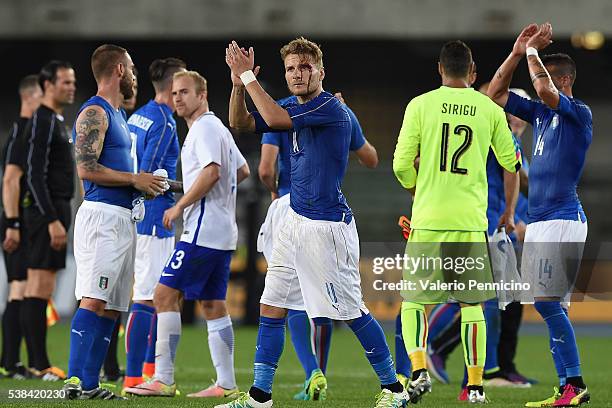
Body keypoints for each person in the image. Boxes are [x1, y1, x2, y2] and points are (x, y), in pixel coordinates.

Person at [223, 37, 408, 408]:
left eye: (305, 67)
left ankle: (395, 389)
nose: (297, 74)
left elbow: (274, 119)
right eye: (291, 68)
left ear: (321, 72)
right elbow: (239, 122)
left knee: (352, 311)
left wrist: (247, 76)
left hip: (328, 227)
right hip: (294, 221)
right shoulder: (291, 104)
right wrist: (236, 86)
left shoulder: (329, 107)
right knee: (272, 304)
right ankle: (260, 396)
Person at [393, 40, 521, 404]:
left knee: (414, 302)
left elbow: (401, 165)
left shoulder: (420, 105)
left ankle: (418, 369)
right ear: (473, 72)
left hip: (429, 219)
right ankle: (477, 385)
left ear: (439, 69)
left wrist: (418, 191)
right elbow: (511, 161)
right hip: (469, 222)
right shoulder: (489, 109)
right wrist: (508, 210)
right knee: (472, 305)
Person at [124, 70, 250, 398]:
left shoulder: (204, 128)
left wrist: (179, 205)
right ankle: (226, 384)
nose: (177, 97)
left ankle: (163, 378)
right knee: (212, 304)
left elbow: (213, 172)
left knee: (163, 295)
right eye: (174, 92)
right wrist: (196, 189)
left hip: (203, 231)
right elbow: (242, 170)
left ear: (202, 94)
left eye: (184, 92)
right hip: (223, 232)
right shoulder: (217, 127)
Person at [487, 23, 591, 407]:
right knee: (552, 306)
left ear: (563, 80)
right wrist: (516, 53)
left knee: (546, 303)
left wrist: (532, 51)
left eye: (543, 76)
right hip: (546, 220)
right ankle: (567, 386)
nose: (536, 87)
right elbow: (496, 94)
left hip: (563, 216)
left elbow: (544, 89)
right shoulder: (541, 116)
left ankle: (574, 383)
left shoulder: (578, 112)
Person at [256, 91, 379, 401]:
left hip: (292, 205)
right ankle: (270, 390)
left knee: (293, 298)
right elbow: (371, 158)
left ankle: (314, 370)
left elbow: (266, 168)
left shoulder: (281, 109)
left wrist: (273, 195)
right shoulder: (339, 109)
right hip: (319, 200)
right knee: (302, 297)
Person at [63, 44, 167, 400]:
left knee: (112, 306)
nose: (136, 75)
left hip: (124, 218)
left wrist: (145, 186)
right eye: (133, 68)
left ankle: (91, 384)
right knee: (94, 299)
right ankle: (74, 380)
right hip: (103, 217)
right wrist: (134, 179)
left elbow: (120, 172)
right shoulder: (95, 111)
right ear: (120, 69)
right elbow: (86, 168)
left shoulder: (120, 116)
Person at [122, 57, 186, 391]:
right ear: (174, 83)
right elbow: (147, 177)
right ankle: (135, 377)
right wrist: (189, 187)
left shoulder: (139, 116)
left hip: (138, 217)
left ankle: (147, 371)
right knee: (150, 297)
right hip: (155, 216)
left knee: (158, 296)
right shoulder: (163, 122)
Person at [20, 61, 76, 381]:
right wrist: (52, 219)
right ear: (47, 85)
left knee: (42, 287)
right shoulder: (42, 120)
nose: (70, 87)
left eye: (72, 82)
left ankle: (36, 363)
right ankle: (40, 365)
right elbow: (35, 175)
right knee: (39, 288)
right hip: (47, 213)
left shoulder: (54, 119)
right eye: (65, 82)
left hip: (54, 210)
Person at [0, 75, 42, 379]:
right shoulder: (22, 131)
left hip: (22, 220)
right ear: (30, 96)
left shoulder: (28, 131)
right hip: (17, 221)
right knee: (19, 288)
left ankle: (13, 362)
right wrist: (13, 223)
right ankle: (12, 362)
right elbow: (10, 179)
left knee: (22, 289)